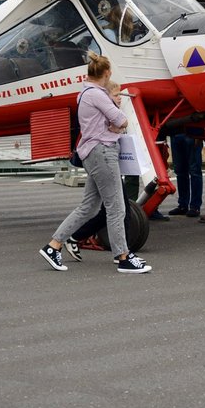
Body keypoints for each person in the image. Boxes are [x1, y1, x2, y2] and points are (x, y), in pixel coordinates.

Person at [39, 53, 151, 274]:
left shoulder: (85, 94)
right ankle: (123, 257)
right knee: (116, 207)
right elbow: (121, 120)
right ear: (107, 74)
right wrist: (116, 125)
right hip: (103, 152)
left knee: (88, 207)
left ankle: (54, 246)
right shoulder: (98, 95)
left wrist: (113, 126)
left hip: (93, 153)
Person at [168, 133, 203, 217]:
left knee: (194, 172)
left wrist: (199, 135)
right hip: (176, 133)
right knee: (180, 171)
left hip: (191, 133)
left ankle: (194, 206)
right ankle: (184, 205)